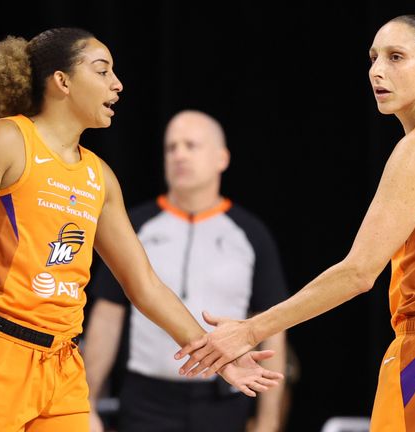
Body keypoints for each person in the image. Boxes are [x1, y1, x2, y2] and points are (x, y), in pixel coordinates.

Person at [0, 27, 283, 432]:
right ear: (62, 81)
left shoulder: (99, 177)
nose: (117, 84)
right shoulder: (6, 141)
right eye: (102, 71)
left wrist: (217, 354)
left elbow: (145, 285)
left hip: (62, 367)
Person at [176, 14, 415, 431]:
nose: (377, 70)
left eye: (396, 57)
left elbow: (358, 272)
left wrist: (250, 331)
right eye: (373, 58)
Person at [82, 110, 289, 432]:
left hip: (223, 400)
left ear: (221, 158)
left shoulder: (250, 234)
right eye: (171, 147)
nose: (179, 154)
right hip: (147, 399)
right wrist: (87, 401)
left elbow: (272, 327)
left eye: (191, 145)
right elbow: (108, 316)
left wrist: (268, 421)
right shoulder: (134, 226)